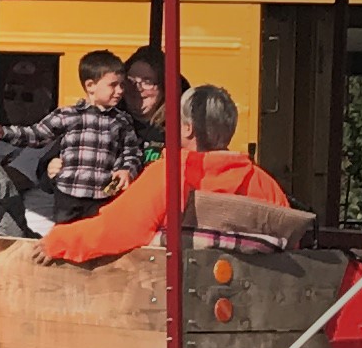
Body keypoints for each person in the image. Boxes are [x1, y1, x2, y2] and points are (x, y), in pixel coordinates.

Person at [38, 83, 288, 262]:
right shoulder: (265, 184)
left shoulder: (168, 175)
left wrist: (58, 240)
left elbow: (115, 231)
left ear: (188, 129)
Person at [21, 49, 142, 227]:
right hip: (69, 192)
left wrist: (126, 170)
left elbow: (132, 153)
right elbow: (36, 135)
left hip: (102, 195)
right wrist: (3, 133)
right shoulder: (68, 115)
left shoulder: (121, 121)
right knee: (65, 235)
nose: (120, 91)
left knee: (97, 237)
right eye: (113, 85)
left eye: (122, 85)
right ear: (90, 86)